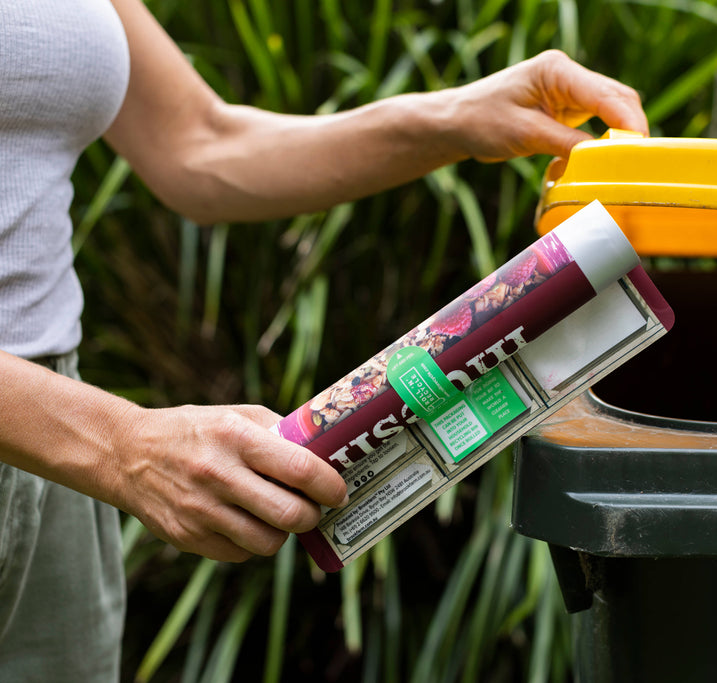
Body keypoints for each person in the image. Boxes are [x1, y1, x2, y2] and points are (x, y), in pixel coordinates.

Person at [0, 0, 648, 680]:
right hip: (73, 435)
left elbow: (197, 143)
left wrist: (456, 116)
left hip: (58, 460)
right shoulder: (108, 444)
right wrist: (118, 443)